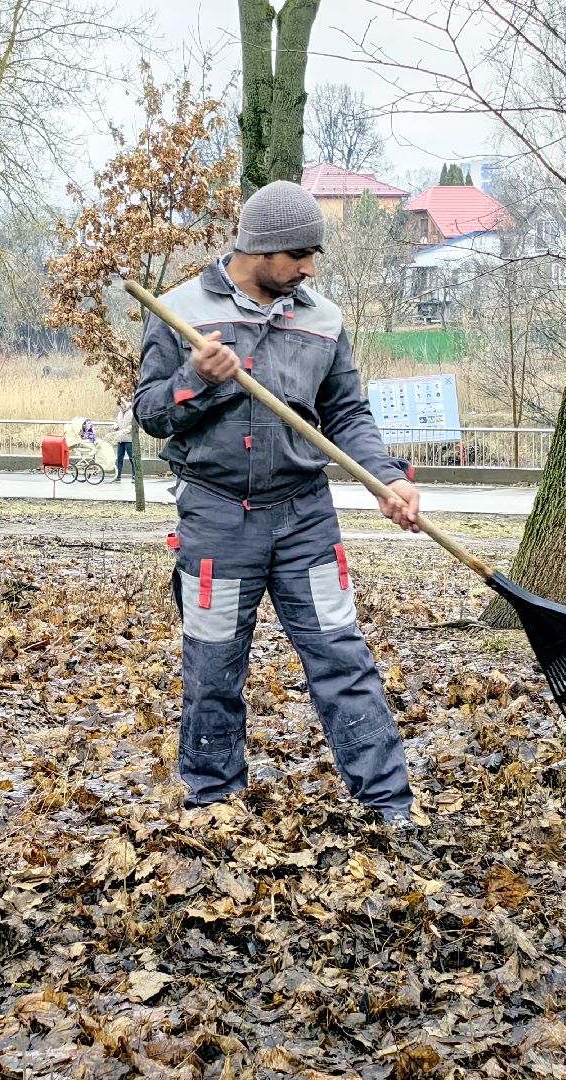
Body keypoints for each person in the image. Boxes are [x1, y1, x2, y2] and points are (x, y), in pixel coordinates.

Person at [134, 180, 423, 829]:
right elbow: (152, 413)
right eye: (299, 254)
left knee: (341, 657)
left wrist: (387, 479)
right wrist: (195, 382)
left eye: (313, 254)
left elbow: (347, 413)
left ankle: (389, 806)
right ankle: (213, 806)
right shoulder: (181, 310)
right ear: (259, 247)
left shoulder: (321, 318)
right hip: (214, 519)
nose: (309, 268)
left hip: (304, 519)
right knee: (212, 668)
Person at [112, 399, 135, 482]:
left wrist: (127, 429)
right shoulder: (120, 413)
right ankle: (118, 476)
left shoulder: (131, 412)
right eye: (119, 404)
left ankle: (134, 476)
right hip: (120, 439)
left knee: (132, 458)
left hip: (129, 439)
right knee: (119, 459)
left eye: (122, 404)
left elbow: (134, 424)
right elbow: (117, 421)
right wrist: (115, 425)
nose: (121, 406)